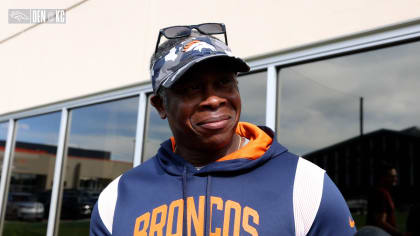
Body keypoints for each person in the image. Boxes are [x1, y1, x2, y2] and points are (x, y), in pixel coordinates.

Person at [90, 23, 356, 236]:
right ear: (160, 105)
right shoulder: (117, 200)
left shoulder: (307, 186)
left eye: (224, 82)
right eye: (193, 87)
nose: (214, 99)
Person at [367, 163, 404, 236]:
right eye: (392, 176)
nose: (395, 179)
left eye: (396, 176)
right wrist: (399, 234)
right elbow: (381, 222)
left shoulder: (383, 192)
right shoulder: (381, 193)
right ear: (383, 177)